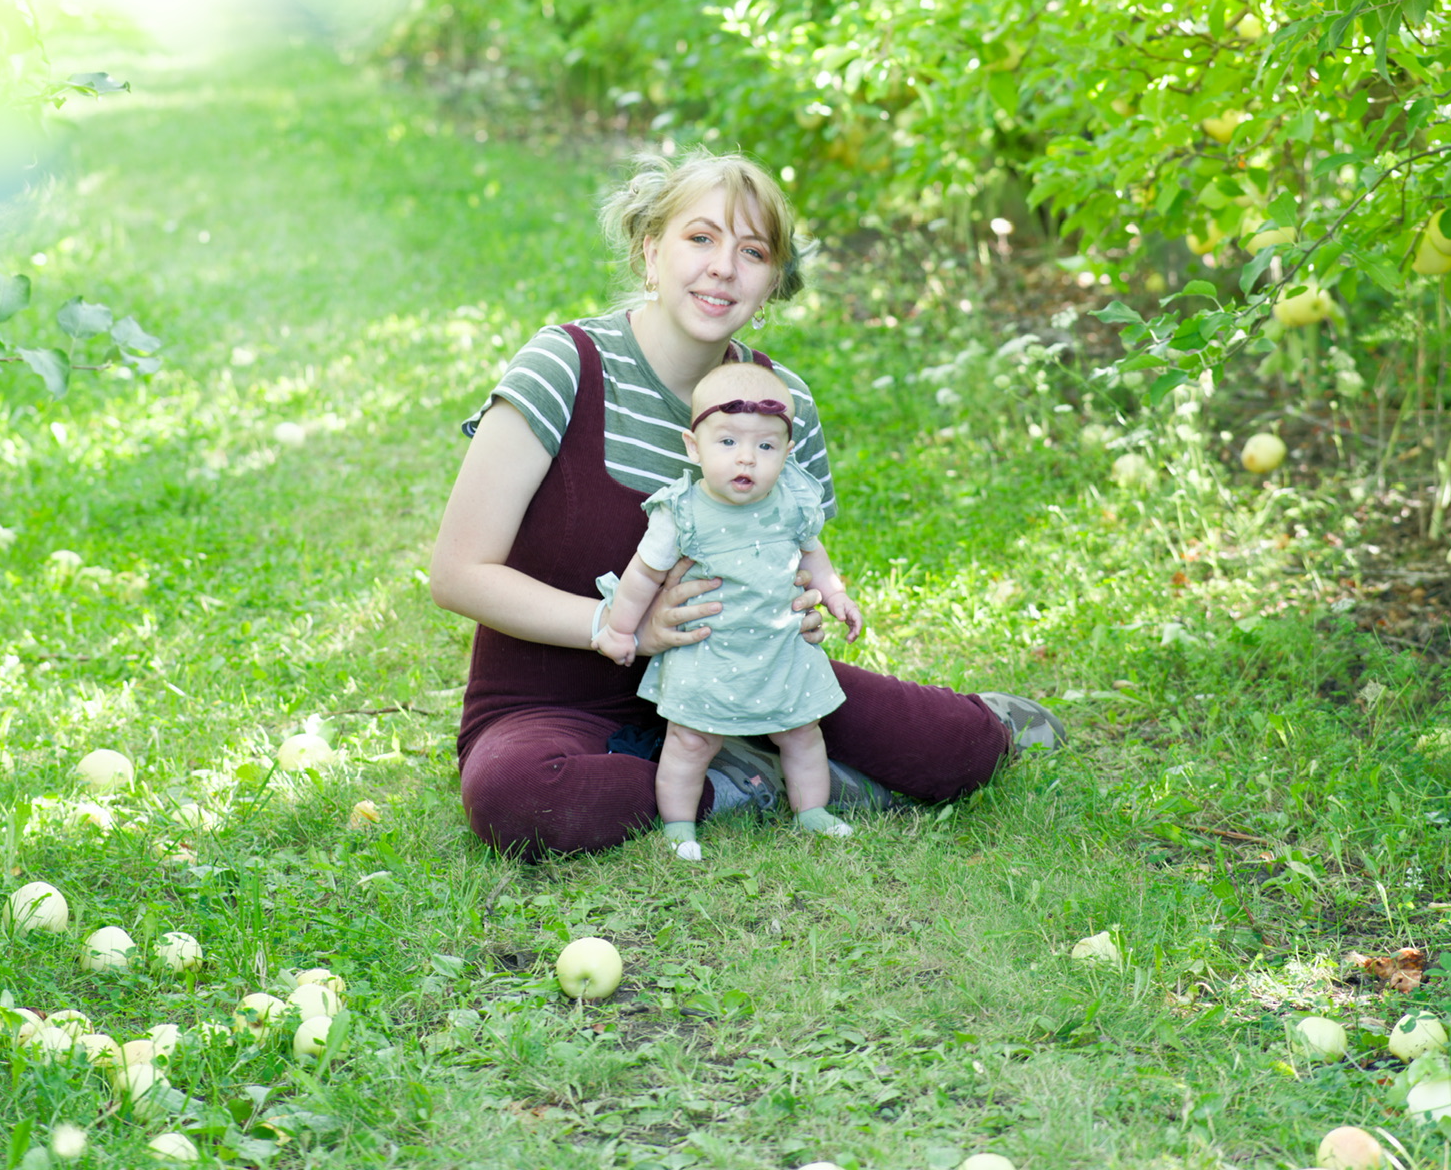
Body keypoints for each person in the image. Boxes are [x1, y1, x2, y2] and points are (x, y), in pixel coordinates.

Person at [427, 149, 1064, 860]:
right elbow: (457, 573)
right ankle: (737, 787)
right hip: (552, 699)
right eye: (700, 238)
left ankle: (977, 722)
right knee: (524, 800)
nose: (723, 267)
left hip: (741, 679)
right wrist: (624, 627)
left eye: (752, 251)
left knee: (958, 756)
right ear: (650, 252)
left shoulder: (776, 402)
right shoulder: (564, 366)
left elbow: (790, 552)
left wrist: (798, 603)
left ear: (771, 280)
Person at [592, 362, 863, 861]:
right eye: (727, 443)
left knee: (802, 731)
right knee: (690, 742)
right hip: (707, 652)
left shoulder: (792, 501)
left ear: (786, 452)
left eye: (765, 446)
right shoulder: (683, 512)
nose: (747, 459)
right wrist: (620, 629)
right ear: (693, 447)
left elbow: (813, 553)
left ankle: (812, 812)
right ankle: (679, 826)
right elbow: (643, 576)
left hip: (780, 646)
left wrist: (834, 594)